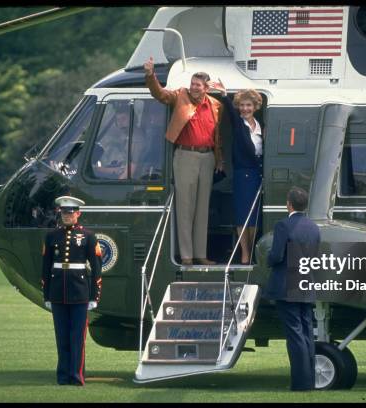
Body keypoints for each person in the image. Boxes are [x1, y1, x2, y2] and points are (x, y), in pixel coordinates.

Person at [144, 56, 224, 266]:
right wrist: (150, 75)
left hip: (207, 157)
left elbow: (217, 136)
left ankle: (200, 255)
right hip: (185, 155)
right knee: (185, 206)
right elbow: (160, 94)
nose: (194, 88)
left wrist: (219, 159)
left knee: (202, 208)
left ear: (207, 87)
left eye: (198, 85)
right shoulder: (180, 95)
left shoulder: (215, 105)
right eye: (192, 84)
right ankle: (186, 256)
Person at [41, 195, 103, 386]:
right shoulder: (52, 236)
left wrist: (94, 295)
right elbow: (45, 266)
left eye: (70, 212)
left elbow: (96, 267)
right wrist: (47, 295)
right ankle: (62, 376)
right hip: (58, 291)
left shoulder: (88, 236)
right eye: (63, 212)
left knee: (77, 337)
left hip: (80, 292)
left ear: (78, 213)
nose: (66, 216)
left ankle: (76, 376)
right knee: (61, 336)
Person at [265, 186, 320, 391]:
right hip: (306, 285)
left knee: (294, 335)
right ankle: (309, 380)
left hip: (286, 286)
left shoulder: (283, 226)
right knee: (306, 334)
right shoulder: (314, 227)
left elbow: (276, 256)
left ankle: (300, 383)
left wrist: (267, 260)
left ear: (288, 204)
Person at [208, 80, 263, 264]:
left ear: (255, 106)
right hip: (243, 174)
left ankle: (252, 247)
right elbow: (231, 113)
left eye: (249, 105)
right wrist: (225, 94)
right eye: (242, 105)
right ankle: (245, 252)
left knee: (255, 216)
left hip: (257, 174)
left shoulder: (260, 125)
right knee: (242, 214)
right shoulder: (239, 123)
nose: (245, 108)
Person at [92, 102, 131, 180]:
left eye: (123, 119)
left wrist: (99, 169)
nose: (120, 123)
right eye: (118, 120)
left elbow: (127, 170)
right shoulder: (127, 138)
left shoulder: (136, 139)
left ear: (132, 119)